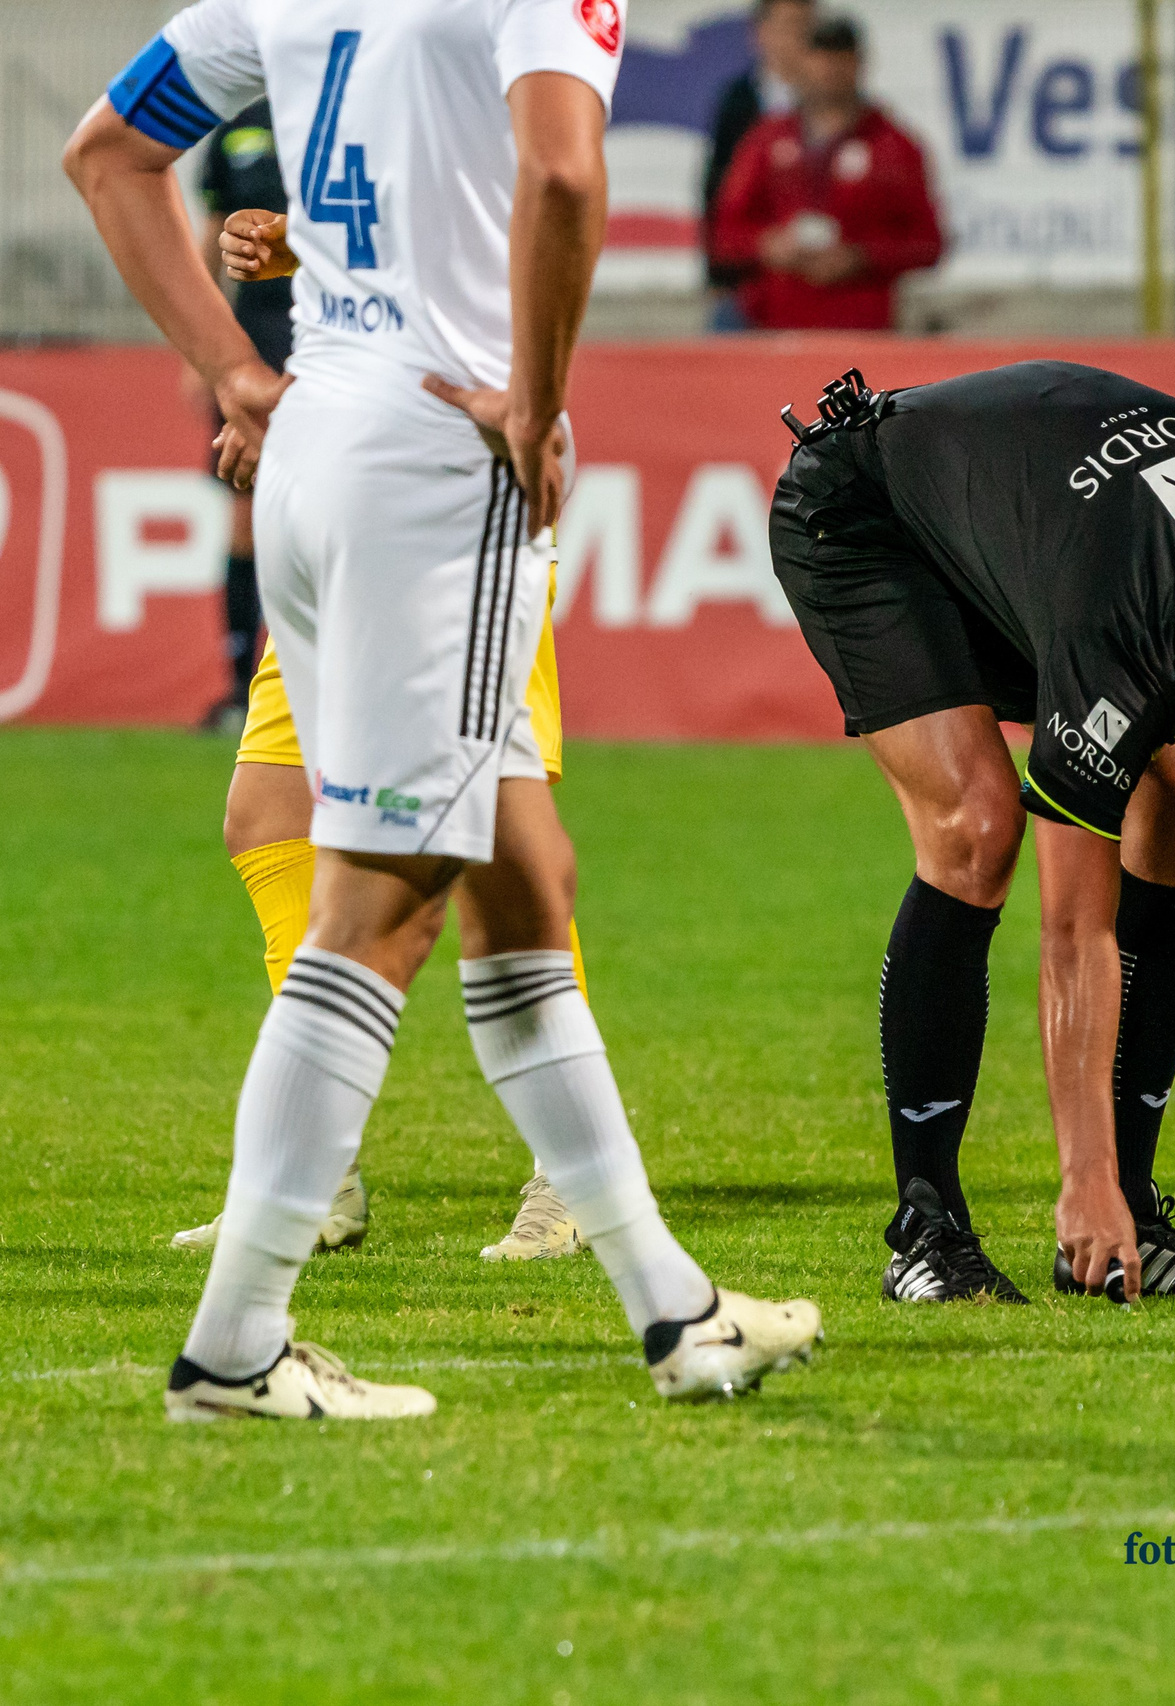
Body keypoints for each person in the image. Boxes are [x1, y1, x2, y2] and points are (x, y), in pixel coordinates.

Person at [67, 0, 819, 1421]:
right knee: (391, 899)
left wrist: (235, 367)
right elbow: (565, 173)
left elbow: (108, 152)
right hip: (437, 459)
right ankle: (234, 1344)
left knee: (525, 874)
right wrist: (535, 401)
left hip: (313, 447)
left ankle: (675, 1306)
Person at [766, 359, 1175, 1305]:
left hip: (1041, 548)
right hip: (870, 517)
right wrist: (1077, 1174)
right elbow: (1072, 934)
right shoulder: (1122, 619)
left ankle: (1130, 1220)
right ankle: (926, 1228)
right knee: (977, 828)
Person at [167, 203, 588, 1267]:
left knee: (504, 842)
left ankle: (571, 1175)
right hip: (342, 516)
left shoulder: (483, 110)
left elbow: (475, 273)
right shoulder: (363, 129)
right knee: (265, 809)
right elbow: (369, 309)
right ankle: (317, 1176)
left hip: (461, 504)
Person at [710, 15, 943, 333]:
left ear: (859, 63)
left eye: (841, 58)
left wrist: (860, 256)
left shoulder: (894, 147)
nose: (830, 69)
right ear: (801, 62)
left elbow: (928, 242)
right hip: (774, 328)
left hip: (861, 328)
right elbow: (724, 233)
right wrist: (770, 244)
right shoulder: (765, 140)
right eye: (820, 57)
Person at [190, 100, 289, 732]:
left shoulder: (348, 102)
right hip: (250, 336)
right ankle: (239, 686)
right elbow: (206, 240)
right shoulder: (236, 126)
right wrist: (200, 348)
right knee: (246, 504)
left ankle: (319, 685)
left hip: (335, 334)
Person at [702, 0, 814, 331]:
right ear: (760, 33)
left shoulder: (835, 101)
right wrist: (718, 274)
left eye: (806, 27)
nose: (797, 37)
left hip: (817, 283)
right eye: (788, 26)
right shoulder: (738, 102)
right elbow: (716, 190)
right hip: (751, 274)